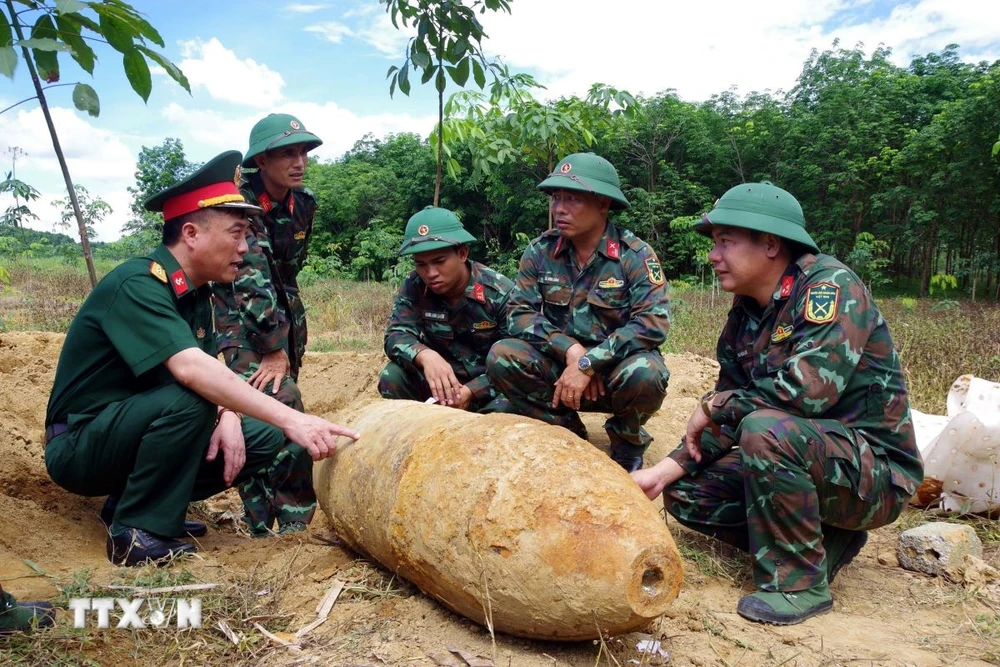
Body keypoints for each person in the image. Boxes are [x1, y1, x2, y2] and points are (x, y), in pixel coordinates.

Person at [44, 151, 360, 567]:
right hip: (79, 446)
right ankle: (136, 533)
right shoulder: (139, 284)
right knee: (195, 399)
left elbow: (214, 368)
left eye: (248, 235)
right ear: (191, 234)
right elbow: (192, 370)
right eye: (236, 234)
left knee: (261, 435)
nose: (245, 248)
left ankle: (138, 503)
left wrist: (230, 416)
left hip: (125, 434)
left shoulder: (197, 294)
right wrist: (295, 419)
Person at [632, 182, 923, 625]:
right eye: (714, 243)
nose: (713, 255)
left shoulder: (830, 287)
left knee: (765, 429)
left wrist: (714, 406)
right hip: (810, 455)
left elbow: (807, 392)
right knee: (689, 495)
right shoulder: (745, 314)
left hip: (874, 475)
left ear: (770, 244)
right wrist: (663, 471)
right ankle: (826, 541)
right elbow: (731, 411)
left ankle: (799, 585)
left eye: (725, 241)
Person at [486, 153, 670, 472]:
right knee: (502, 355)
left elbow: (652, 324)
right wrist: (570, 351)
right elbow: (519, 313)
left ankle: (627, 443)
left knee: (646, 371)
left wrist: (590, 363)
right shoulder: (540, 251)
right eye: (556, 198)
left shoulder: (635, 256)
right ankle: (566, 430)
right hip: (561, 372)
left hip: (614, 374)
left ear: (602, 204)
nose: (559, 208)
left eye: (572, 198)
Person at [212, 113, 322, 536]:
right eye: (287, 153)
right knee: (280, 405)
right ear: (261, 160)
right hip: (240, 325)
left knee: (268, 409)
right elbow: (248, 280)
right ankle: (281, 520)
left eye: (302, 152)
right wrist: (274, 349)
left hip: (284, 320)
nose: (299, 161)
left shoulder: (303, 205)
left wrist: (288, 340)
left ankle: (271, 516)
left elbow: (288, 274)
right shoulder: (238, 204)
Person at [379, 206, 514, 413]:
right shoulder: (415, 285)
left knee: (511, 404)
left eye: (439, 261)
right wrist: (424, 355)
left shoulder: (499, 293)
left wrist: (472, 391)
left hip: (488, 387)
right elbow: (396, 334)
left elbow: (517, 360)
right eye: (421, 264)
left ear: (462, 253)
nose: (430, 273)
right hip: (438, 385)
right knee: (393, 376)